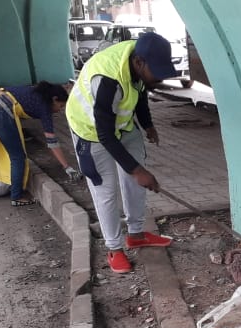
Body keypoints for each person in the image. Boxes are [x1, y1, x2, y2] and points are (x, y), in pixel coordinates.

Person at [65, 32, 177, 274]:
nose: (158, 79)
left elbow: (139, 91)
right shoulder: (108, 80)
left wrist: (147, 124)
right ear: (139, 63)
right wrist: (137, 170)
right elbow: (105, 135)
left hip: (122, 127)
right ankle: (114, 248)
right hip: (91, 132)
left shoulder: (137, 58)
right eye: (156, 72)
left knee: (135, 183)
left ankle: (135, 234)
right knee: (106, 191)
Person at [0, 82, 76, 206]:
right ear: (54, 99)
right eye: (60, 106)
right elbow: (52, 142)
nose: (59, 110)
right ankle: (16, 197)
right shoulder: (44, 107)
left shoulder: (34, 91)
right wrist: (66, 166)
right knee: (18, 157)